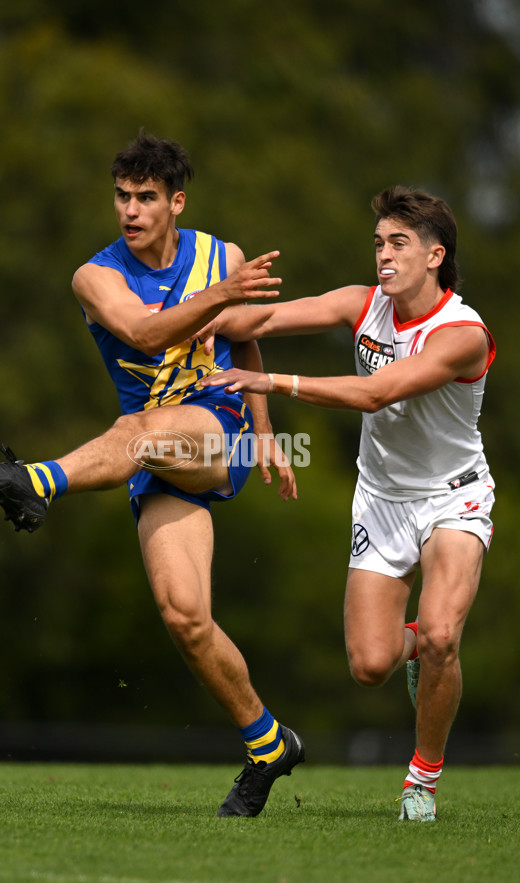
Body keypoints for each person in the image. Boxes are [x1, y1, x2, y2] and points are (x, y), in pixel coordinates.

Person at [0, 130, 305, 817]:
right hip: (148, 451)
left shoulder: (219, 255)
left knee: (137, 434)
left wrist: (266, 434)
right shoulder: (96, 277)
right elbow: (145, 337)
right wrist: (223, 295)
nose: (131, 210)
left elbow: (246, 337)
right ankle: (268, 743)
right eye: (122, 196)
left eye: (146, 198)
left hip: (214, 429)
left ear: (177, 202)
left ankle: (37, 483)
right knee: (185, 618)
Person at [201, 186, 496, 822]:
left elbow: (377, 393)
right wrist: (204, 307)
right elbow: (262, 322)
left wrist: (270, 381)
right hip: (382, 500)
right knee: (371, 665)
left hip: (454, 497)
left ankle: (421, 781)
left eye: (399, 244)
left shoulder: (463, 334)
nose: (383, 257)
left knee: (445, 634)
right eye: (379, 244)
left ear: (435, 256)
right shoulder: (361, 303)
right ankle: (413, 648)